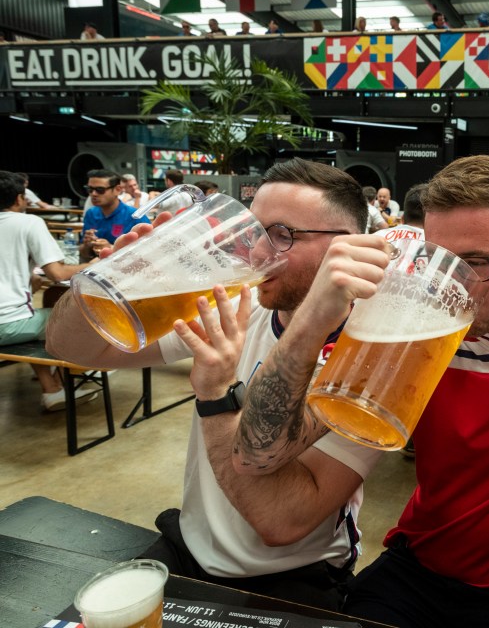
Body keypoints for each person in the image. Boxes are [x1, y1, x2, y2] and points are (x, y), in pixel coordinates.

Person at [234, 155, 489, 626]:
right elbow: (259, 453)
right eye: (436, 259)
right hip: (422, 565)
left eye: (474, 263)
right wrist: (315, 316)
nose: (448, 280)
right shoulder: (406, 330)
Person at [46, 158, 382, 608]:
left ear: (348, 247)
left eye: (281, 234)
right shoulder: (239, 304)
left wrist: (217, 394)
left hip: (294, 573)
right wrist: (110, 282)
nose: (257, 253)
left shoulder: (370, 360)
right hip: (187, 546)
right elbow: (72, 349)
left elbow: (281, 522)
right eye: (251, 231)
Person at [0, 171, 96, 411]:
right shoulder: (28, 222)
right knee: (76, 318)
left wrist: (28, 278)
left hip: (11, 322)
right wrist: (91, 265)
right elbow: (57, 274)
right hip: (8, 325)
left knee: (42, 314)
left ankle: (51, 385)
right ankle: (62, 384)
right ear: (20, 198)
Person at [80, 170, 150, 262]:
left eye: (100, 190)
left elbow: (149, 250)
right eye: (90, 189)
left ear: (117, 190)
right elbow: (84, 254)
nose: (93, 194)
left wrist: (112, 248)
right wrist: (87, 245)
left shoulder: (135, 216)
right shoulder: (91, 213)